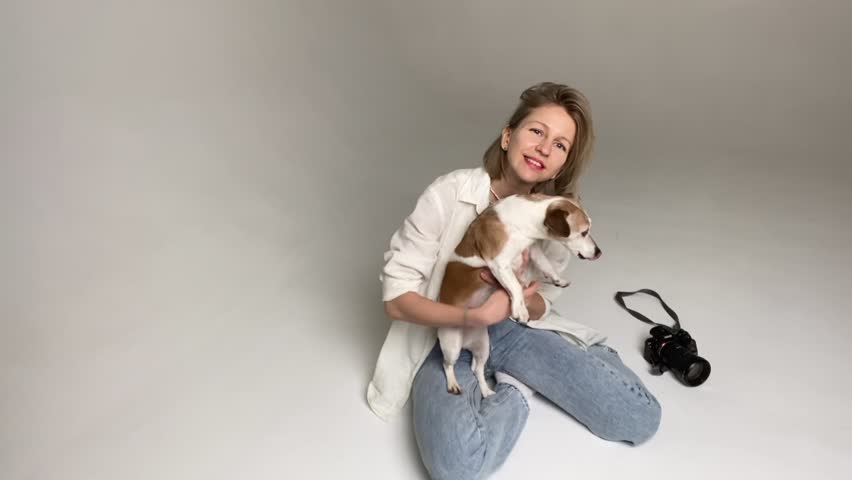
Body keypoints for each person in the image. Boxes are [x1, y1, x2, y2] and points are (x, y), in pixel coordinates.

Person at [368, 82, 661, 480]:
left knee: (638, 418)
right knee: (457, 467)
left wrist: (517, 301)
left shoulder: (557, 217)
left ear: (562, 164)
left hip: (515, 330)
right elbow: (396, 300)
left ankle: (562, 363)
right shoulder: (448, 193)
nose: (544, 148)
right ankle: (517, 390)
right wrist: (474, 318)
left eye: (560, 145)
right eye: (537, 131)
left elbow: (543, 304)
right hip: (444, 332)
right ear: (508, 136)